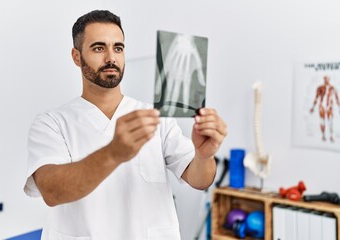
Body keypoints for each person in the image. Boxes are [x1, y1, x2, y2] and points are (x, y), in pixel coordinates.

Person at [24, 10, 227, 240]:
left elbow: (199, 179)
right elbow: (52, 191)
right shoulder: (52, 123)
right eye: (99, 48)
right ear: (76, 56)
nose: (111, 57)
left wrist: (204, 155)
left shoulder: (155, 117)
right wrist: (113, 152)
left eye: (118, 48)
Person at [310, 75, 340, 142]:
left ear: (329, 79)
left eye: (328, 79)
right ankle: (323, 135)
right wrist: (313, 107)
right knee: (322, 121)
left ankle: (331, 136)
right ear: (324, 80)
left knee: (330, 122)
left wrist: (339, 107)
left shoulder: (333, 88)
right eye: (325, 79)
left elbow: (337, 98)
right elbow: (316, 97)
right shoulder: (320, 88)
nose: (327, 80)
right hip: (322, 106)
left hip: (329, 106)